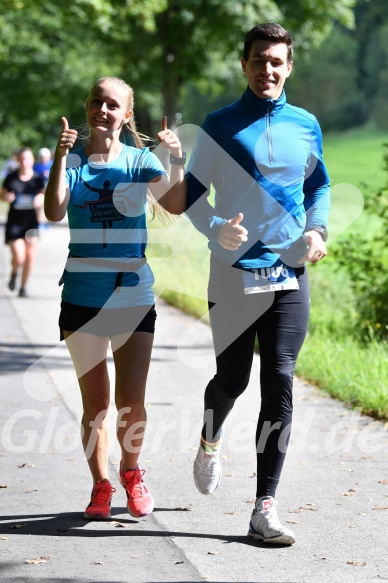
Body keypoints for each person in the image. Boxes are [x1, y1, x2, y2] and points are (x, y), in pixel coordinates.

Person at [185, 23, 330, 545]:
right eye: (258, 60)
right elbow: (191, 197)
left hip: (290, 271)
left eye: (276, 61)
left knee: (281, 379)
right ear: (243, 65)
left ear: (289, 67)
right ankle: (210, 435)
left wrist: (317, 229)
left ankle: (264, 507)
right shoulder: (220, 125)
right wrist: (216, 228)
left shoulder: (305, 124)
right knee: (232, 380)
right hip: (232, 274)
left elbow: (319, 184)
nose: (267, 70)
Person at [44, 77, 186, 520]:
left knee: (131, 400)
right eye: (95, 102)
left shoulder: (141, 160)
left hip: (132, 295)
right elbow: (52, 211)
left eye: (112, 105)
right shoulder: (73, 164)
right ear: (87, 109)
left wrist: (177, 158)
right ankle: (100, 485)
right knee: (96, 404)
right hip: (83, 296)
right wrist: (58, 159)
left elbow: (177, 204)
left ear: (127, 115)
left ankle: (130, 472)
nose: (102, 110)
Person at [1, 147, 45, 297]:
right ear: (18, 160)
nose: (25, 162)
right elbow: (2, 195)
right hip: (14, 223)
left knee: (30, 256)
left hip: (31, 223)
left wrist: (41, 198)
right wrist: (7, 197)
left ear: (33, 160)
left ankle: (23, 287)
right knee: (19, 257)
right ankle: (14, 273)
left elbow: (43, 194)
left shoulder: (37, 179)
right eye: (23, 159)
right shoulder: (11, 177)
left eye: (28, 158)